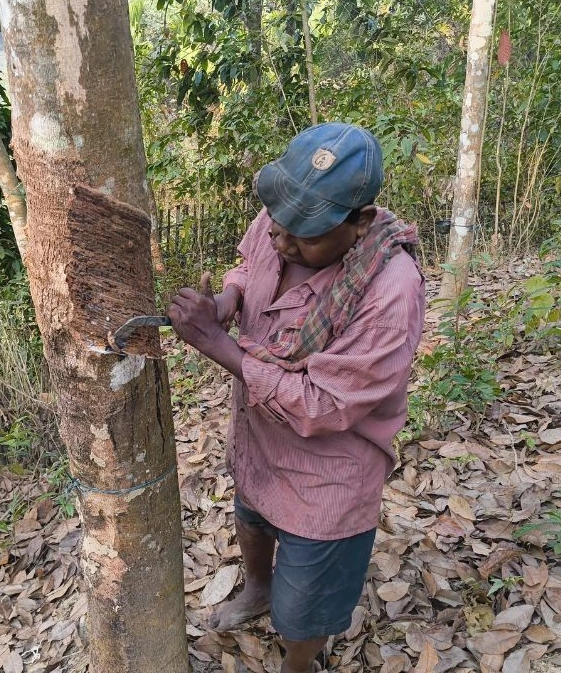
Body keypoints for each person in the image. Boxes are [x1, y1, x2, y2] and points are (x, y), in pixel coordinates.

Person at [168, 122, 425, 673]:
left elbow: (324, 404)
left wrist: (218, 346)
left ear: (357, 223)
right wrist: (228, 301)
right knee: (253, 517)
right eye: (279, 226)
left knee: (304, 603)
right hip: (261, 437)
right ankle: (256, 589)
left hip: (328, 469)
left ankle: (300, 660)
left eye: (303, 235)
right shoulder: (287, 211)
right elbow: (248, 260)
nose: (281, 240)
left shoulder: (389, 291)